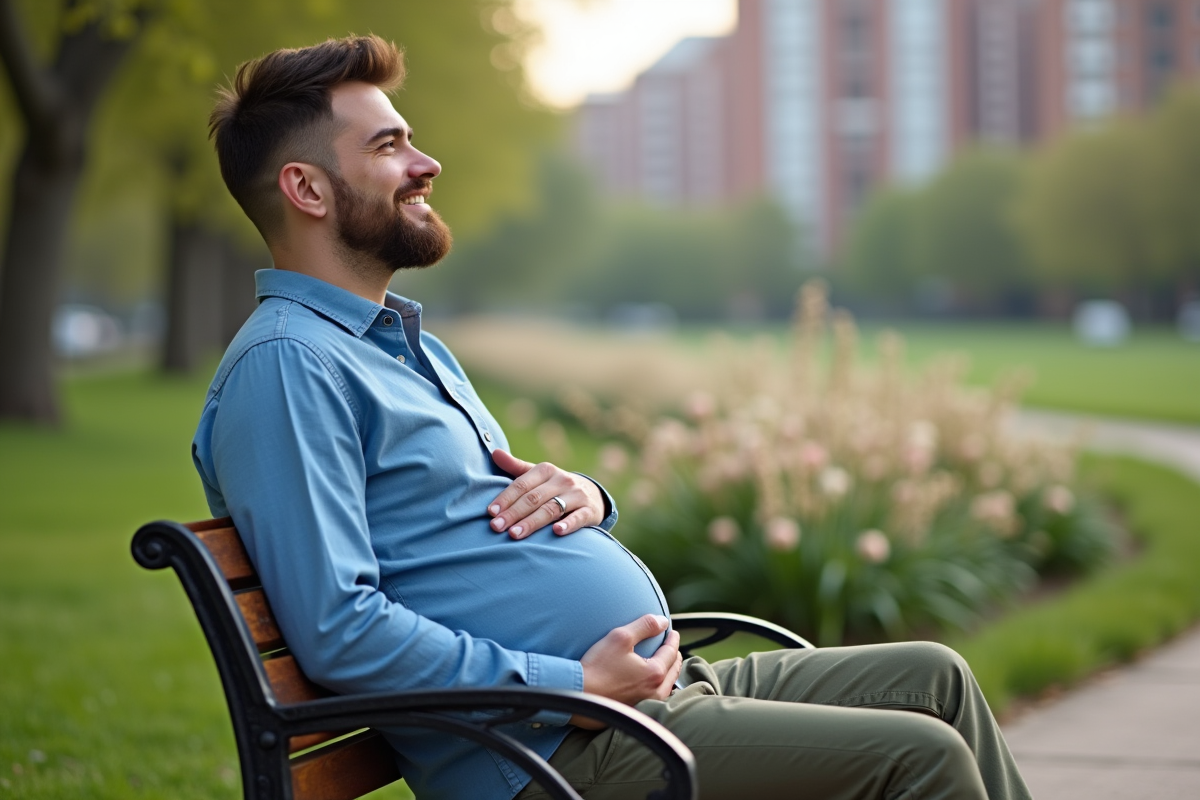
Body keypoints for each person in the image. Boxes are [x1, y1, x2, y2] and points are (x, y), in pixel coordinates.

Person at [193, 34, 1032, 800]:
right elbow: (341, 631)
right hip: (549, 752)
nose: (426, 162)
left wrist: (585, 497)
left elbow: (485, 528)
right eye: (388, 146)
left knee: (938, 676)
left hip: (639, 697)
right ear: (304, 188)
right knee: (920, 760)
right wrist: (573, 684)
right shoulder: (289, 369)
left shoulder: (401, 345)